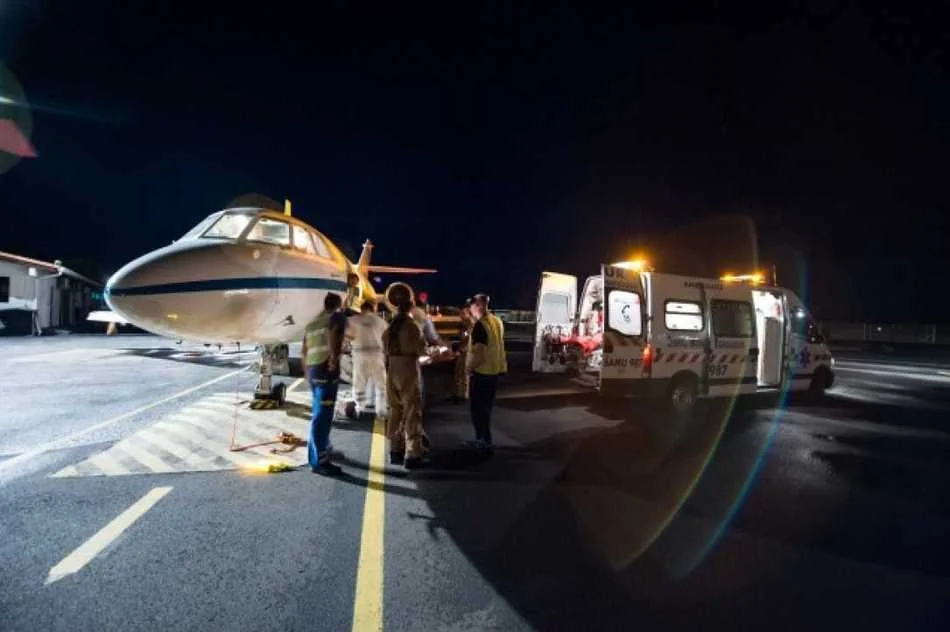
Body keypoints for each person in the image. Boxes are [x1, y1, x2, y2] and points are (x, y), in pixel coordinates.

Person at [383, 284, 429, 469]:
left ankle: (394, 450)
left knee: (395, 411)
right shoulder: (411, 326)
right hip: (408, 369)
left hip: (391, 369)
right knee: (411, 411)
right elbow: (421, 349)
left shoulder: (390, 328)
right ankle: (413, 454)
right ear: (410, 308)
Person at [301, 292, 347, 476]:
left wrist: (306, 372)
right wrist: (334, 359)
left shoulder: (311, 322)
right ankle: (319, 461)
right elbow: (332, 334)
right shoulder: (337, 317)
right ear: (338, 304)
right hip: (325, 368)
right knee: (323, 415)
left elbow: (304, 350)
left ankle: (318, 452)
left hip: (313, 369)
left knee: (318, 412)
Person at [466, 293, 507, 458]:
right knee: (486, 408)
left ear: (479, 306)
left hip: (481, 372)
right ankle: (483, 440)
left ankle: (484, 442)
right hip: (494, 371)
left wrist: (469, 368)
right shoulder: (497, 321)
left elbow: (480, 352)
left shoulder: (480, 325)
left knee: (478, 410)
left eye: (472, 306)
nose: (470, 309)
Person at [345, 300, 388, 420]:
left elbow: (348, 337)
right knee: (381, 384)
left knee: (359, 383)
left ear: (361, 309)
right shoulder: (381, 322)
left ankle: (360, 408)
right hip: (377, 355)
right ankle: (381, 411)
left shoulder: (352, 320)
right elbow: (387, 339)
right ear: (373, 309)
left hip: (359, 355)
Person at [452, 302, 474, 402]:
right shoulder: (463, 323)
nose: (460, 315)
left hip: (466, 352)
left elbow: (467, 338)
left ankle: (463, 395)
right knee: (458, 373)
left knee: (464, 373)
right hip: (463, 350)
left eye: (462, 313)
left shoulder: (469, 323)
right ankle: (458, 393)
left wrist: (461, 350)